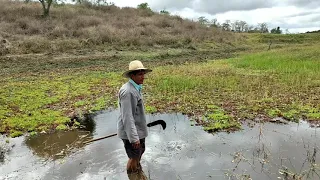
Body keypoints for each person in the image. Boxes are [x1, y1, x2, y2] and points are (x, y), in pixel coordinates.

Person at [117, 60, 152, 180]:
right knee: (134, 158)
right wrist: (133, 138)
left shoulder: (134, 88)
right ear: (132, 75)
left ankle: (138, 172)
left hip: (137, 130)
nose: (143, 77)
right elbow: (127, 116)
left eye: (143, 73)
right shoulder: (128, 92)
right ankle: (132, 175)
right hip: (132, 133)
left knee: (138, 154)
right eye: (140, 74)